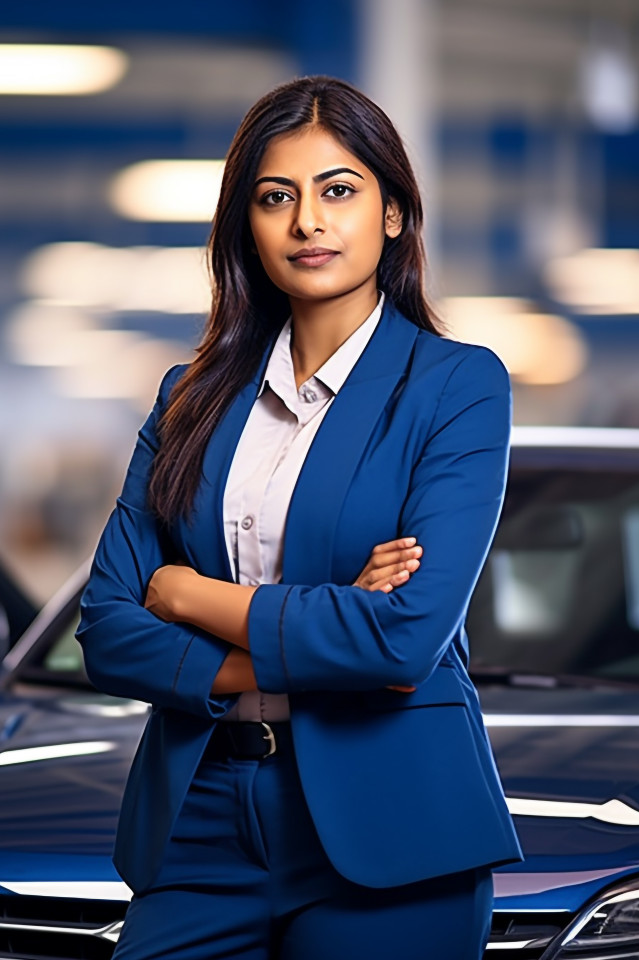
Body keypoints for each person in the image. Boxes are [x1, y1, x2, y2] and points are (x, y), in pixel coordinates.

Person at [76, 75, 522, 960]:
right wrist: (316, 637)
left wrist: (189, 594)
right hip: (201, 816)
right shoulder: (188, 398)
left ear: (393, 212)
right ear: (247, 223)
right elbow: (106, 628)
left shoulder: (456, 387)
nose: (307, 222)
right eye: (276, 197)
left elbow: (400, 640)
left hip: (390, 820)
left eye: (338, 191)